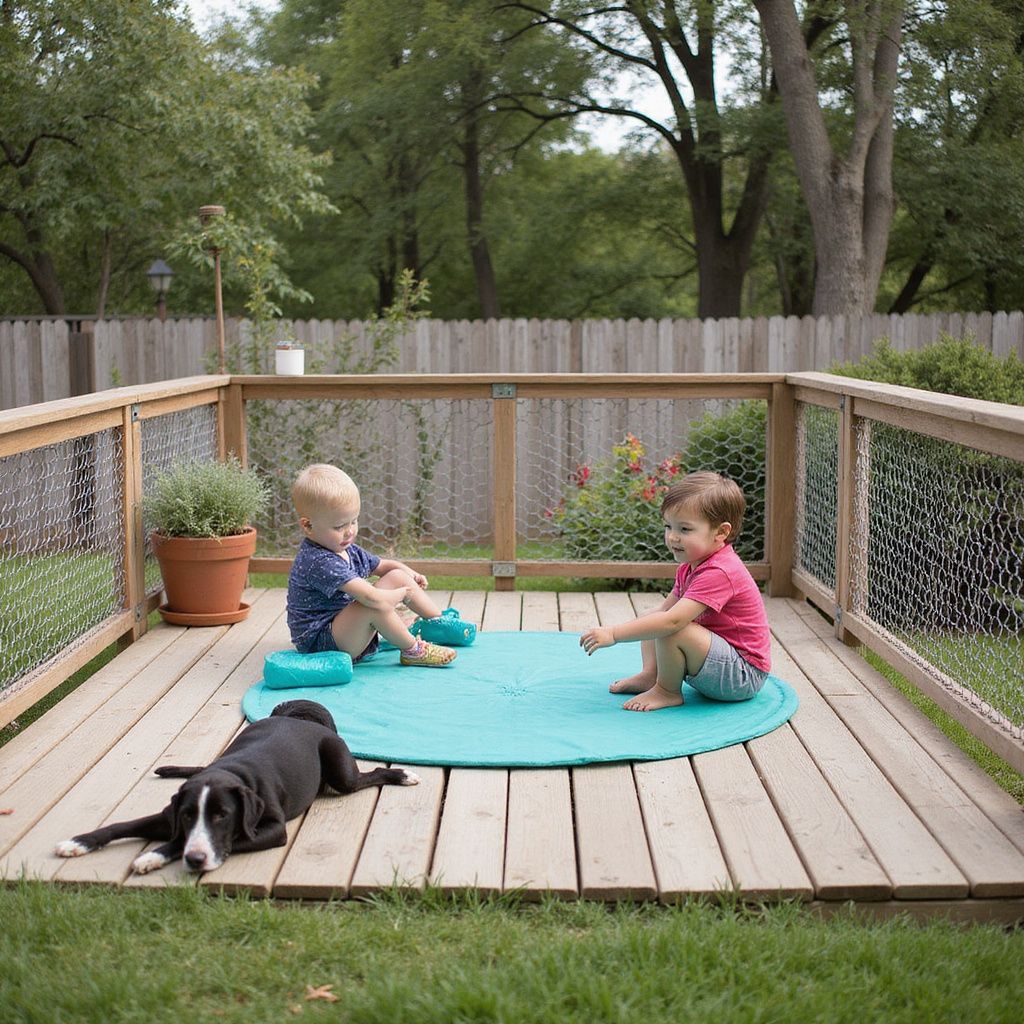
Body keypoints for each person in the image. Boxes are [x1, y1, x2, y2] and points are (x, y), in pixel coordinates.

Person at [579, 471, 770, 711]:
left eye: (685, 529)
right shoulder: (692, 565)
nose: (673, 537)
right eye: (669, 526)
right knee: (654, 615)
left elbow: (673, 622)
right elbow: (664, 610)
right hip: (719, 663)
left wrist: (614, 634)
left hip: (742, 676)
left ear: (721, 532)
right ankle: (651, 675)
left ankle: (667, 691)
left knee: (673, 628)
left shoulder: (720, 571)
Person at [287, 463, 458, 667]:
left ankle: (437, 623)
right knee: (374, 606)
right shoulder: (318, 561)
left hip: (343, 628)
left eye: (353, 521)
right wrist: (402, 595)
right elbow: (372, 598)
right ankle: (413, 651)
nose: (350, 531)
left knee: (396, 575)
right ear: (308, 526)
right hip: (322, 642)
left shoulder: (345, 548)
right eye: (340, 526)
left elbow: (383, 565)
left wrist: (409, 574)